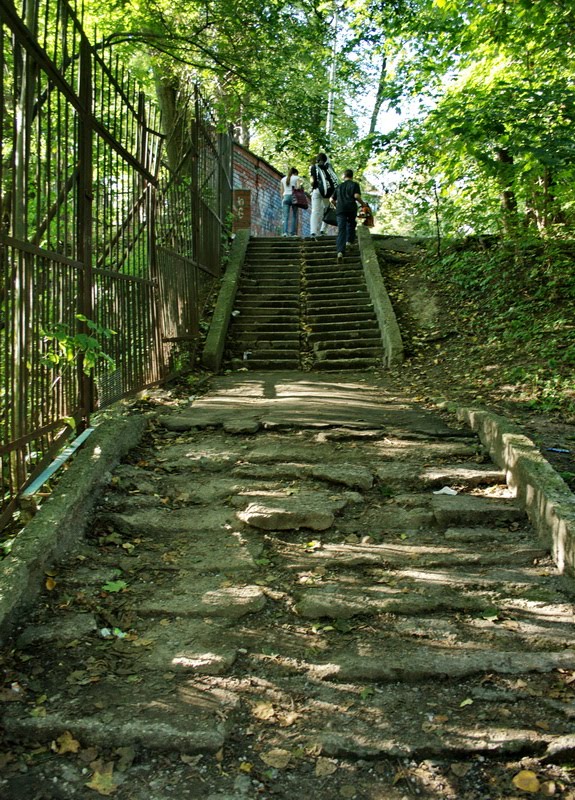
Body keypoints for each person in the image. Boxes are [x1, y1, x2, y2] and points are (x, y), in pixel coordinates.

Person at [330, 168, 365, 261]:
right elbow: (356, 196)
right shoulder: (354, 184)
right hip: (351, 208)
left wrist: (336, 206)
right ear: (352, 176)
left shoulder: (339, 186)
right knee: (351, 224)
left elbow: (331, 199)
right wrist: (363, 204)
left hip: (340, 209)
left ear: (344, 176)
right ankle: (349, 242)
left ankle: (340, 252)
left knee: (341, 229)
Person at [309, 152, 338, 237]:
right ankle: (323, 230)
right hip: (328, 192)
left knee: (315, 211)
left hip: (317, 191)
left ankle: (313, 232)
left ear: (317, 160)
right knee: (327, 211)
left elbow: (312, 181)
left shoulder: (314, 167)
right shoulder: (330, 167)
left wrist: (314, 187)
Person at [280, 167, 301, 237]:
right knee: (294, 215)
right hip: (294, 197)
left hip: (285, 197)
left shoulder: (283, 179)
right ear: (295, 173)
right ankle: (293, 233)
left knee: (285, 216)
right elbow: (298, 187)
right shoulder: (296, 178)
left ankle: (284, 233)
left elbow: (281, 191)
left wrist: (283, 199)